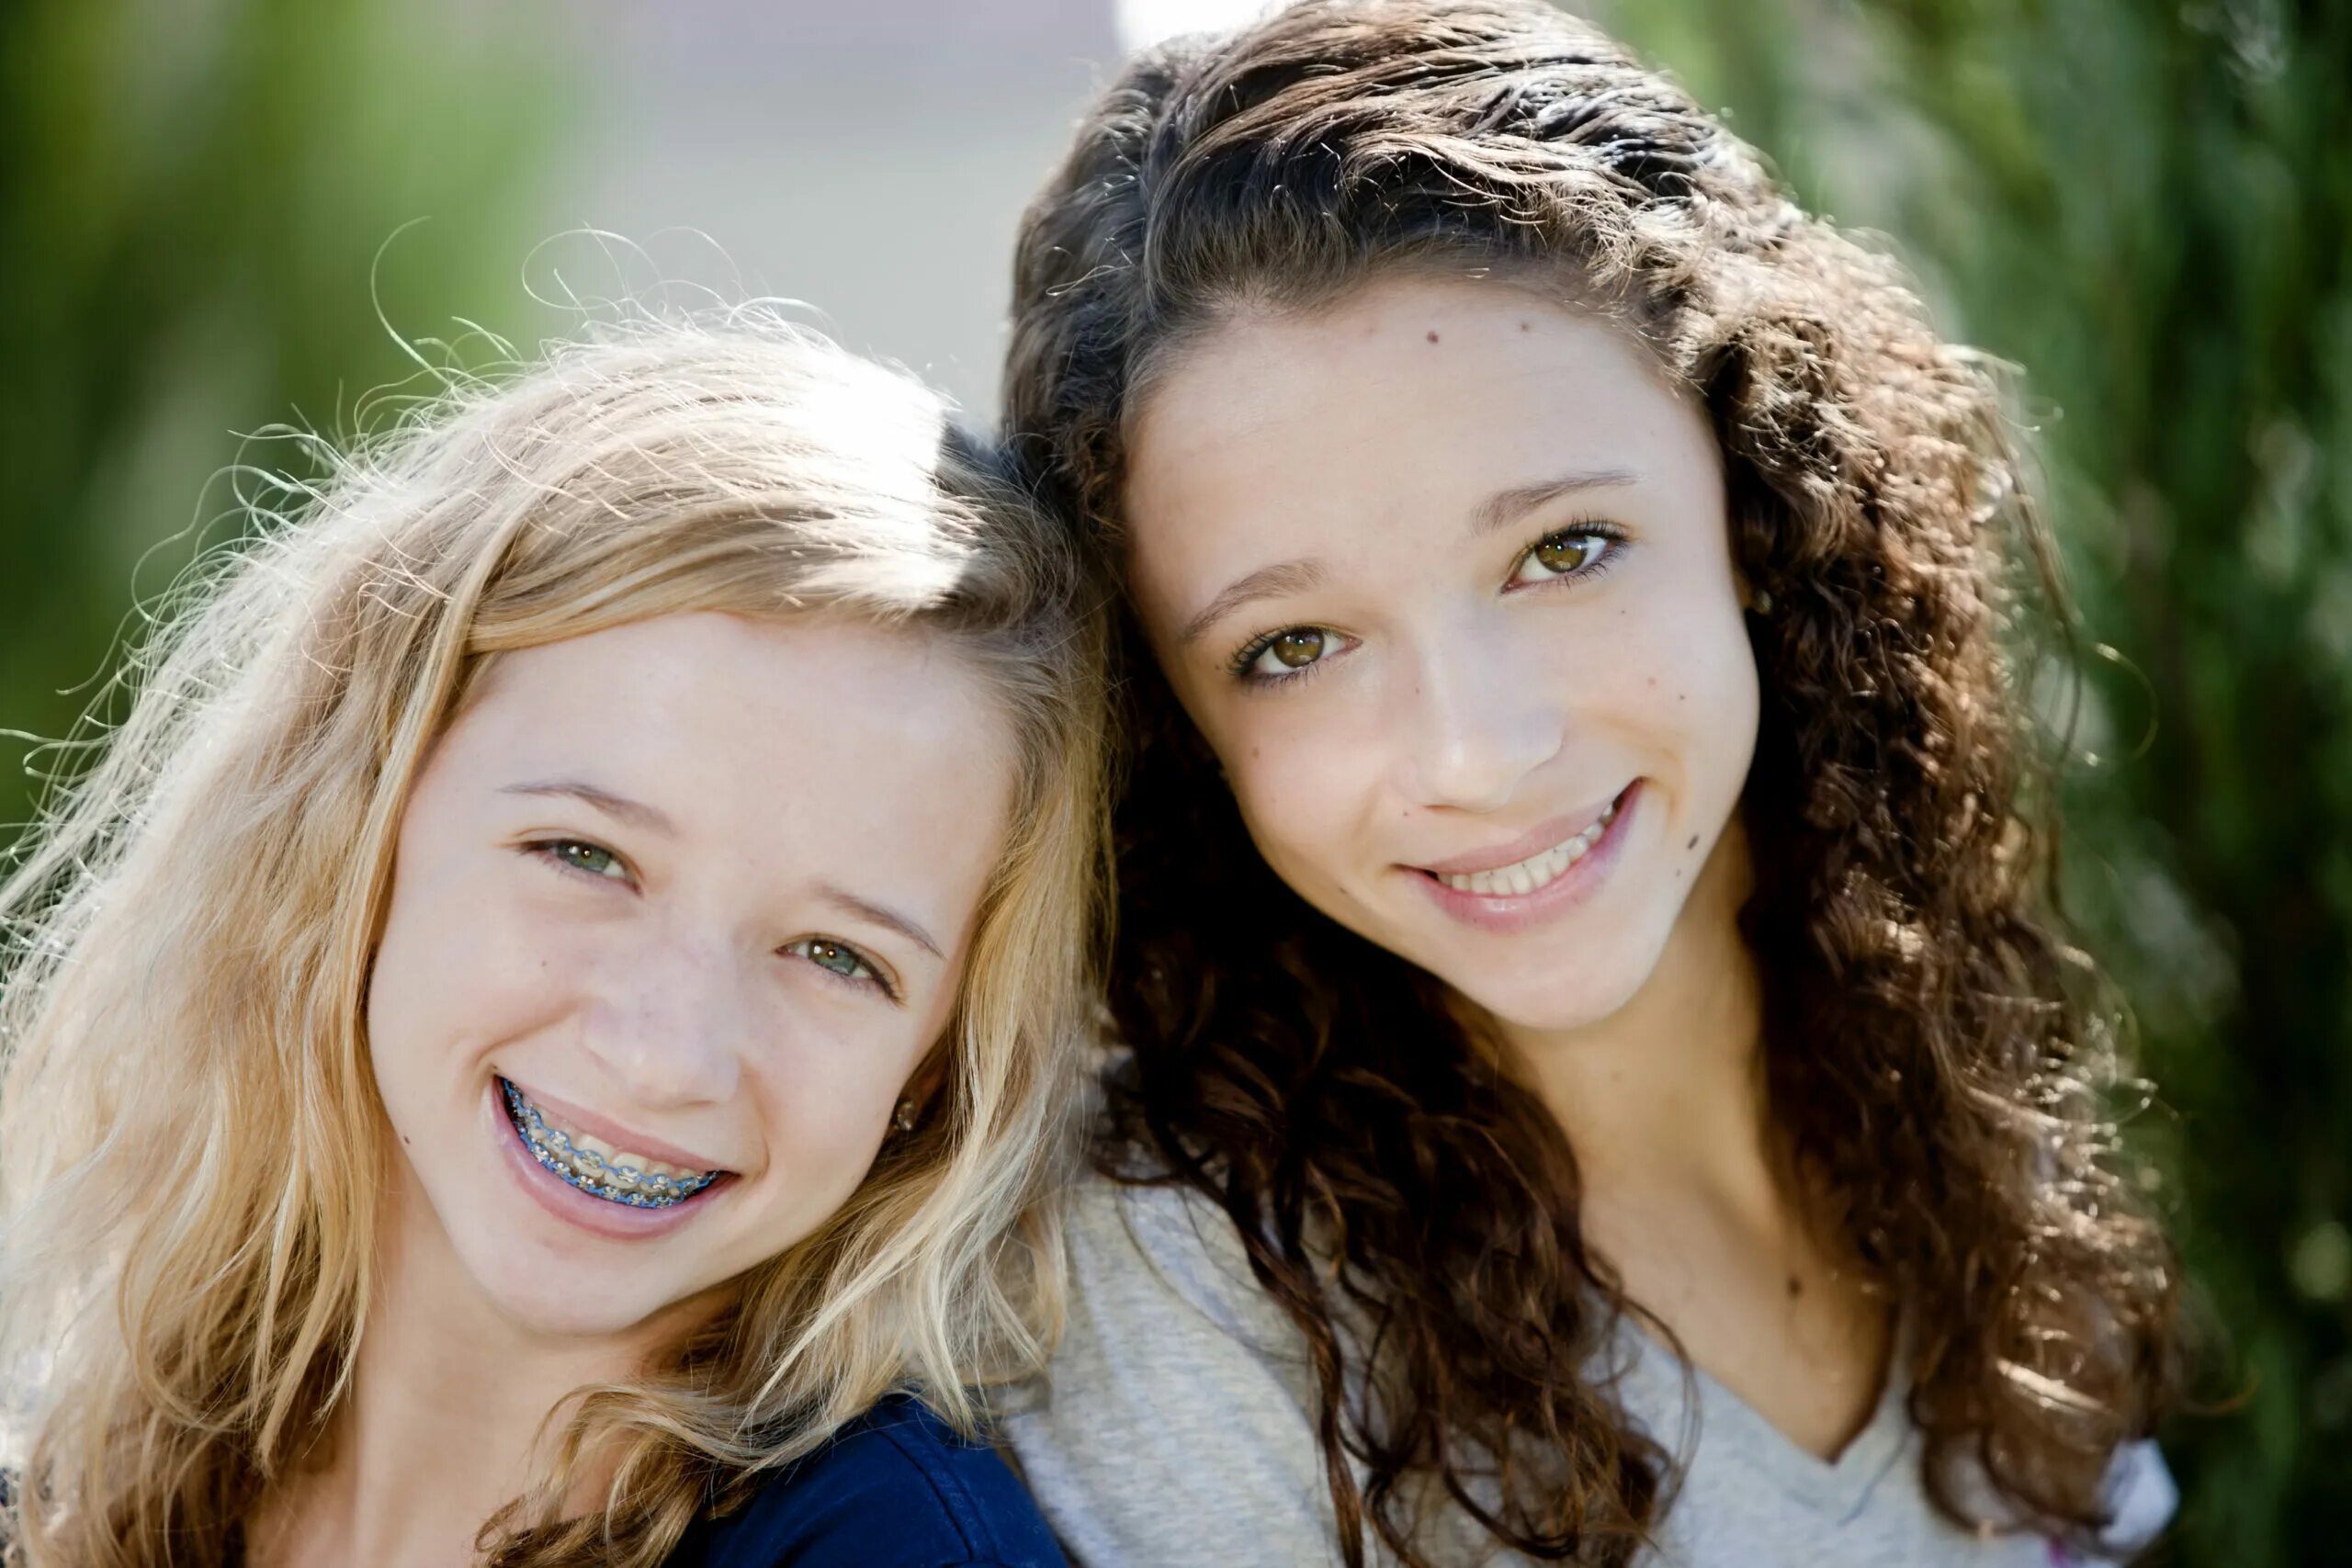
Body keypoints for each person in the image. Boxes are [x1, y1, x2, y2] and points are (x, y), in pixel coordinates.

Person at [995, 2, 2180, 1563]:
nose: (1477, 749)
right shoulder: (1181, 1300)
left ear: (1759, 495)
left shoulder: (1961, 1119)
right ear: (1174, 722)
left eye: (1565, 550)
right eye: (1295, 645)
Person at [0, 316, 1106, 1567]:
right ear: (361, 815)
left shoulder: (892, 1550)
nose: (664, 1053)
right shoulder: (90, 1463)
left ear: (936, 1065)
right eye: (588, 858)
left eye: (838, 957)